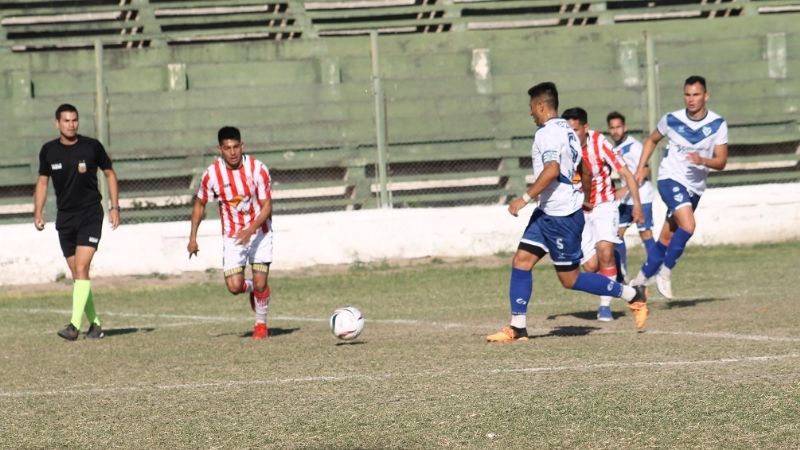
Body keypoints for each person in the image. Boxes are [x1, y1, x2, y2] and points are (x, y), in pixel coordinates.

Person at [486, 82, 648, 343]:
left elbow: (551, 170)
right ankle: (518, 327)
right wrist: (585, 198)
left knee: (570, 280)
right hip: (548, 213)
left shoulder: (547, 133)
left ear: (541, 106)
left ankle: (633, 295)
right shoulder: (567, 130)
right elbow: (584, 168)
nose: (530, 113)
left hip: (561, 218)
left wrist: (524, 199)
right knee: (521, 261)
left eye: (531, 107)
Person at [631, 75, 728, 298]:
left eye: (696, 95)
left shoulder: (717, 124)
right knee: (689, 226)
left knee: (667, 237)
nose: (691, 99)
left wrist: (703, 160)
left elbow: (721, 161)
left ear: (706, 96)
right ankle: (665, 272)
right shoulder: (671, 119)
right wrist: (641, 166)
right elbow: (651, 140)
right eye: (687, 94)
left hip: (695, 187)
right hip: (670, 178)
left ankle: (639, 281)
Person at [34, 103, 120, 341]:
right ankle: (96, 325)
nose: (71, 125)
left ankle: (73, 325)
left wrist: (114, 207)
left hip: (90, 214)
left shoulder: (92, 146)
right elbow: (42, 182)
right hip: (65, 217)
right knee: (77, 274)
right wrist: (38, 211)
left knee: (82, 268)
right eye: (66, 120)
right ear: (57, 123)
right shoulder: (49, 151)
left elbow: (110, 173)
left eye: (74, 120)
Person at [187, 126, 274, 340]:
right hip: (233, 235)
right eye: (227, 148)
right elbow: (199, 205)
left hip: (260, 233)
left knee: (261, 281)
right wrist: (192, 238)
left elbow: (267, 206)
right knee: (234, 287)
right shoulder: (212, 174)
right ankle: (256, 290)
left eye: (236, 147)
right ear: (220, 149)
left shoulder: (258, 169)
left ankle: (261, 325)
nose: (233, 152)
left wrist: (251, 230)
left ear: (242, 145)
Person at [562, 107, 643, 322]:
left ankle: (605, 306)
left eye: (575, 130)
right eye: (568, 131)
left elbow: (625, 172)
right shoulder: (563, 147)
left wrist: (637, 204)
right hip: (579, 210)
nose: (571, 135)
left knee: (605, 252)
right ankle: (617, 270)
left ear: (585, 128)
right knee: (590, 266)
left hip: (604, 205)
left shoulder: (599, 142)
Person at [606, 111, 656, 283]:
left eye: (618, 127)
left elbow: (645, 170)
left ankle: (655, 271)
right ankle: (622, 274)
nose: (616, 131)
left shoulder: (634, 146)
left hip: (642, 196)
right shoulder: (613, 149)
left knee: (646, 234)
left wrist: (625, 188)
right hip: (626, 199)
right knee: (615, 235)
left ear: (625, 127)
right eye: (612, 128)